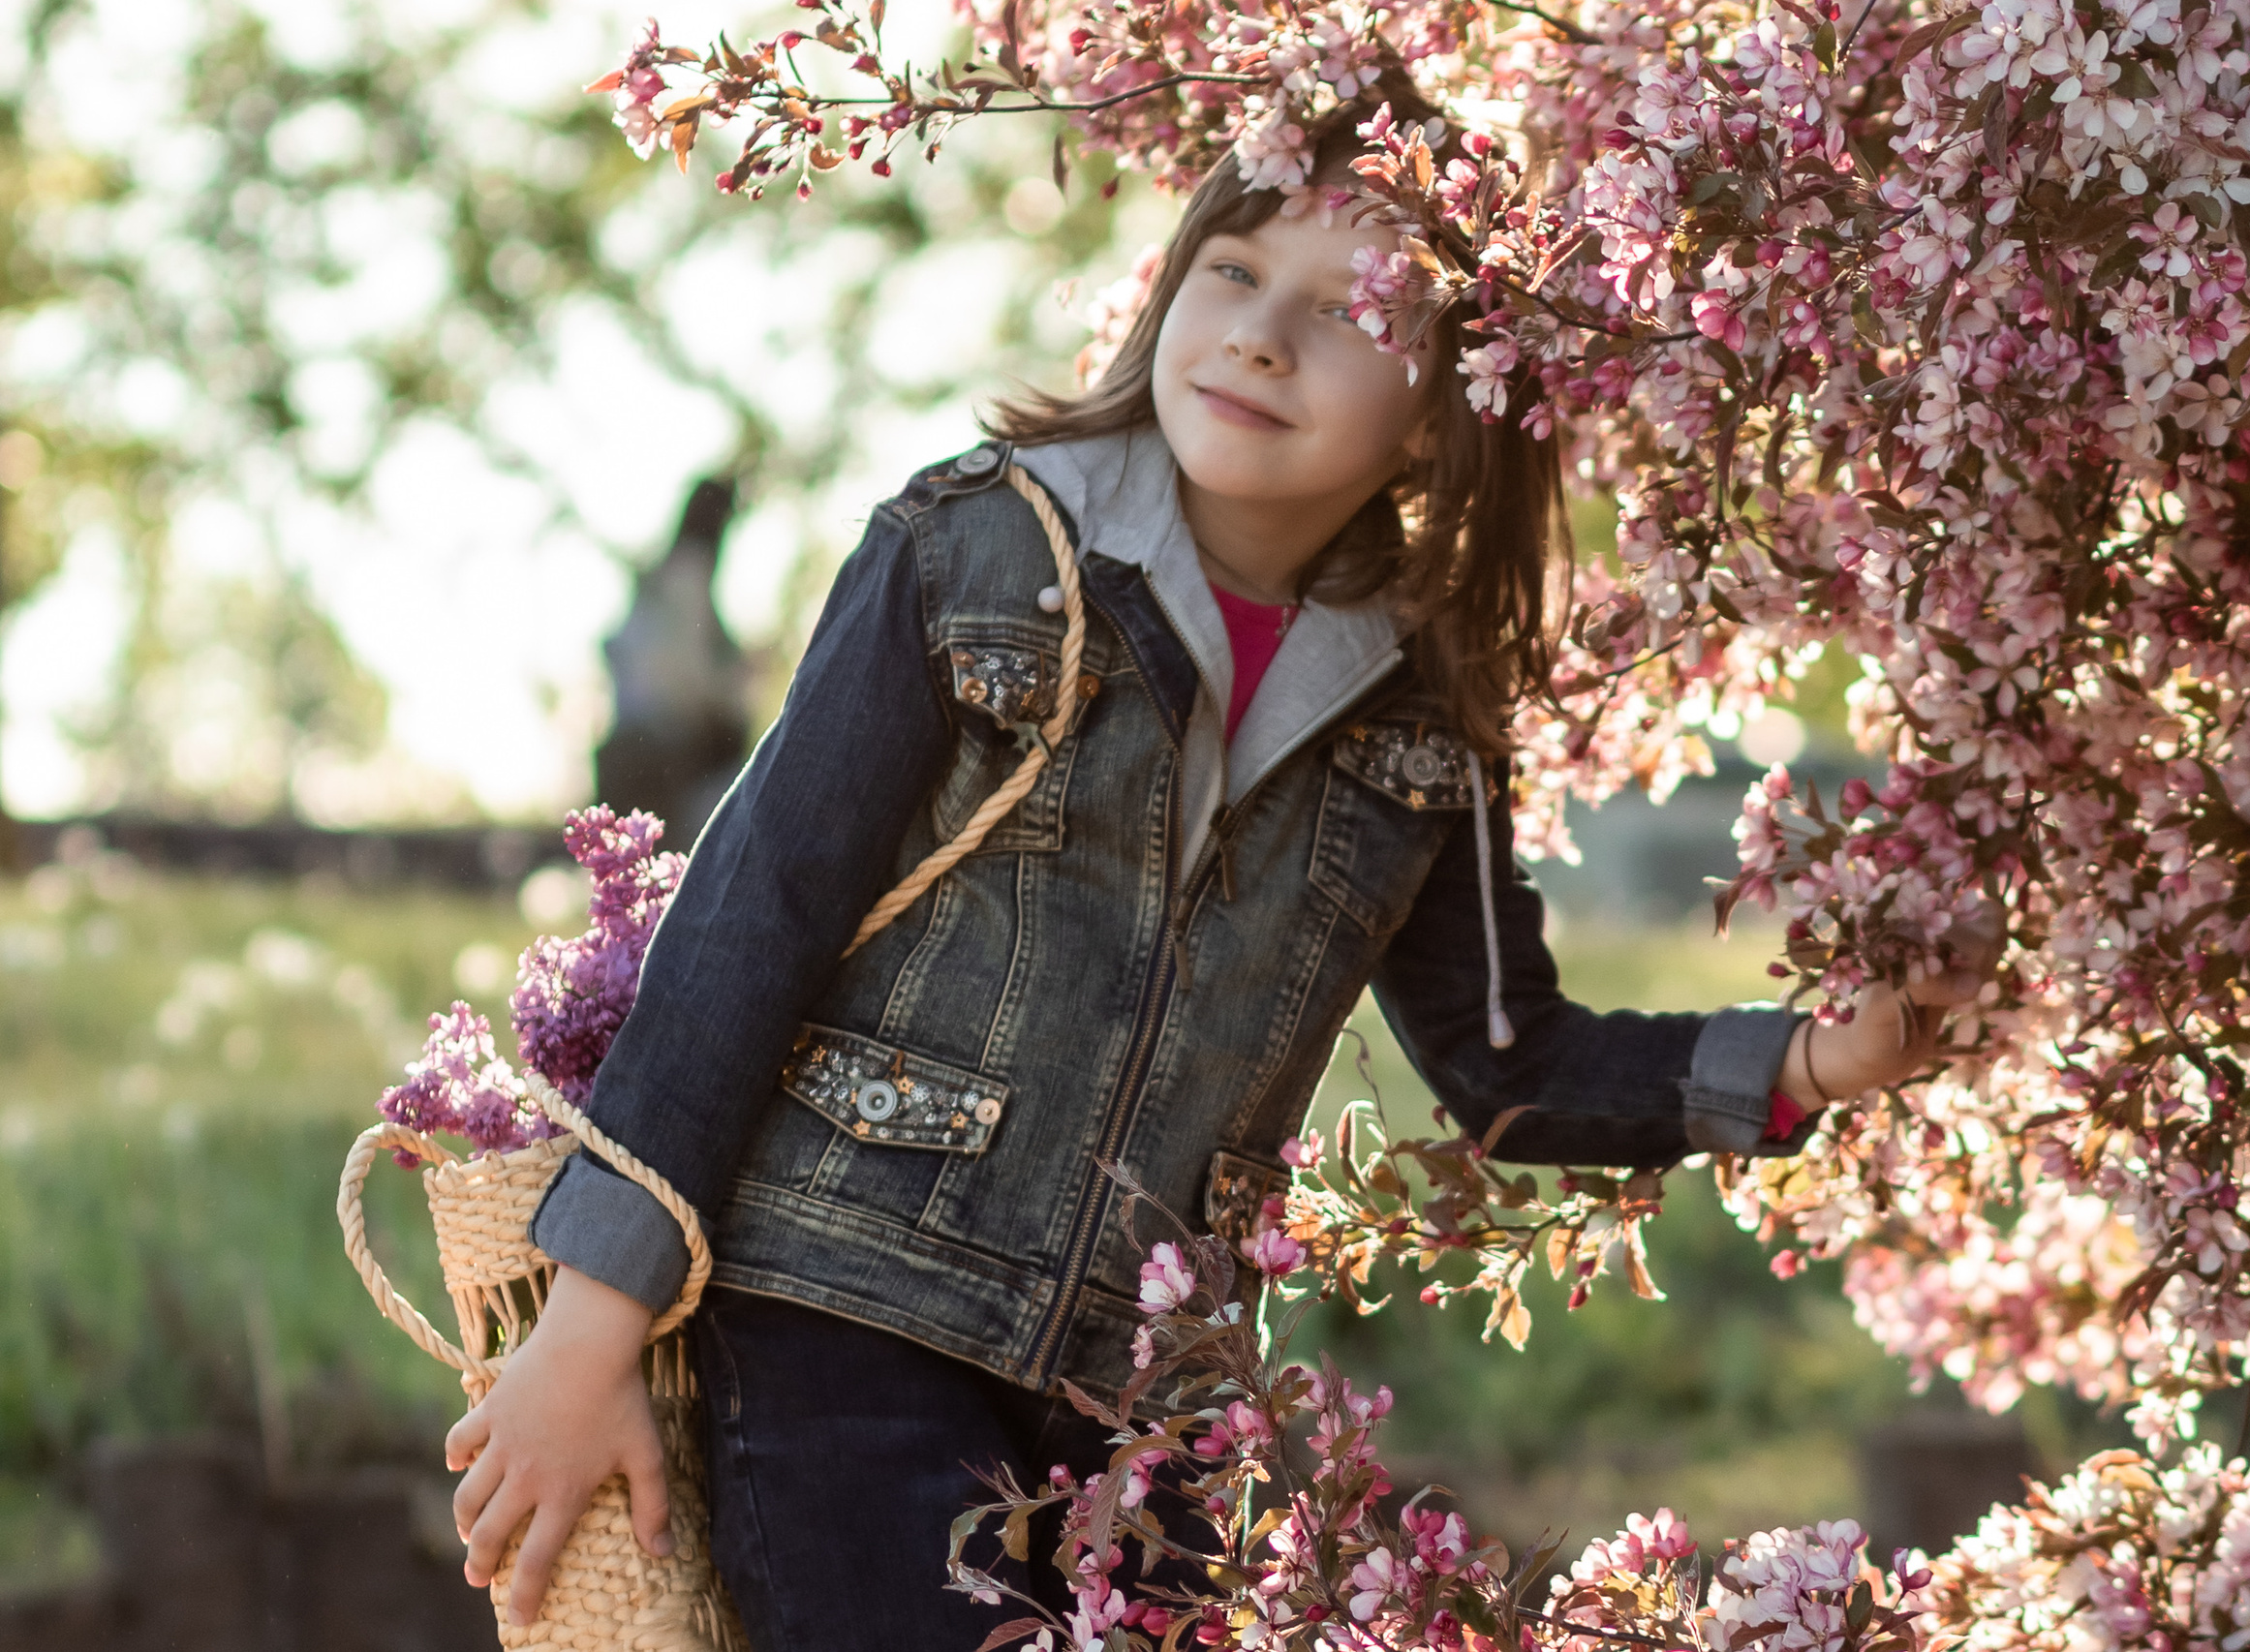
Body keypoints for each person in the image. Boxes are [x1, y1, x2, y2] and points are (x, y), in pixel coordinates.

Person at [443, 91, 1995, 1652]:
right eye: (1236, 270)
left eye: (1345, 312)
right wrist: (592, 1325)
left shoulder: (1424, 713)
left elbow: (1508, 1064)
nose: (1262, 337)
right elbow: (748, 920)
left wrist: (1809, 1055)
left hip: (1155, 1416)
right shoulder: (972, 548)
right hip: (848, 1323)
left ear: (1450, 400)